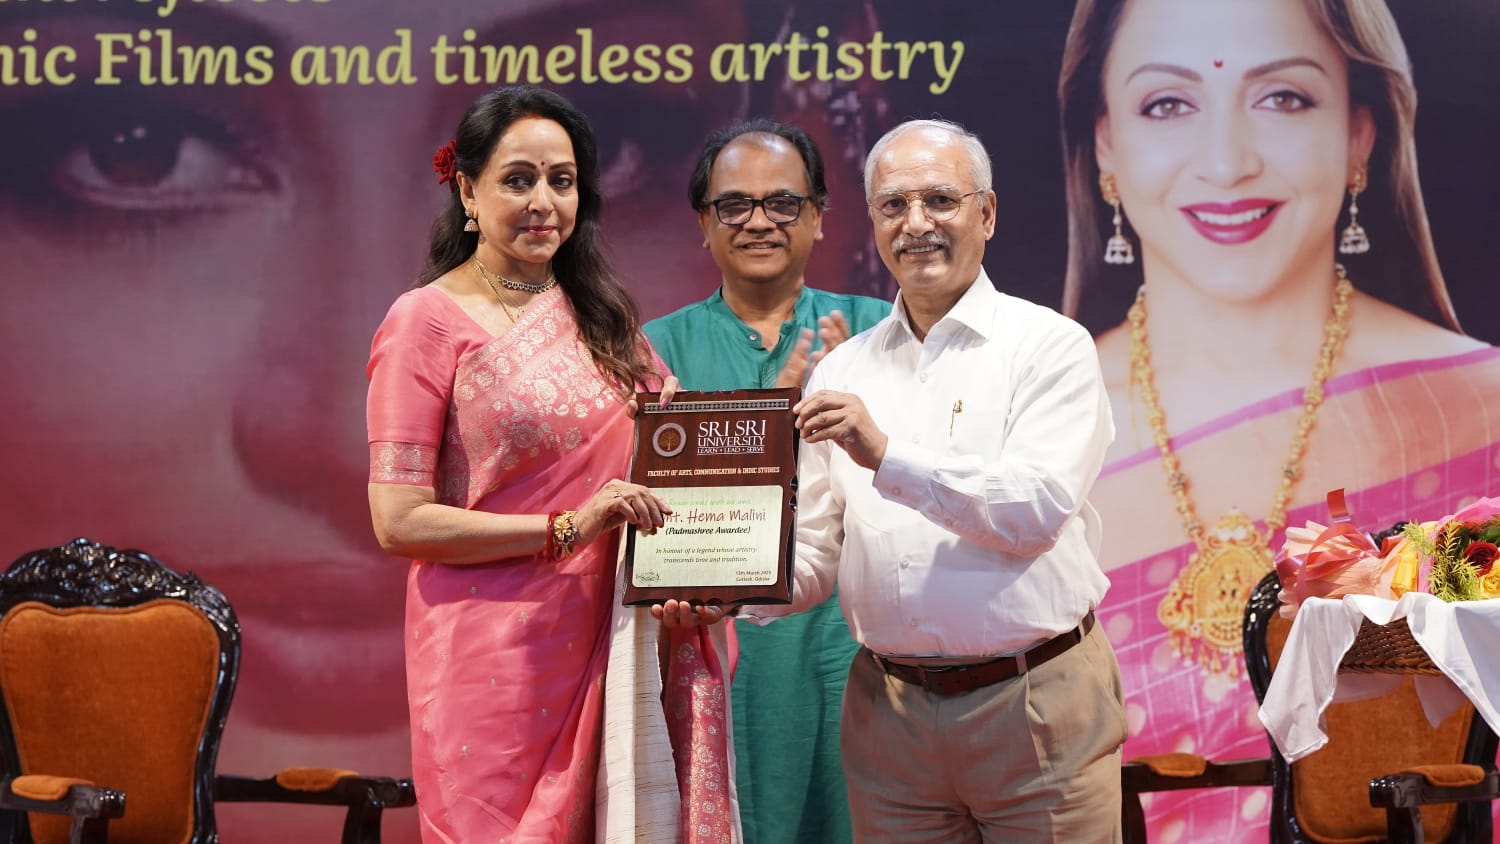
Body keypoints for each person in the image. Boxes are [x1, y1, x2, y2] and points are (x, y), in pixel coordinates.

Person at [1057, 0, 1500, 838]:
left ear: (1359, 134)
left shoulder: (1478, 410)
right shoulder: (1042, 421)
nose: (1227, 163)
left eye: (1283, 98)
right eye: (1168, 103)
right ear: (1105, 143)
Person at [366, 84, 736, 842]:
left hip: (617, 637)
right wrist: (569, 525)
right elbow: (398, 520)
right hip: (495, 659)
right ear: (467, 192)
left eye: (561, 181)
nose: (543, 203)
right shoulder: (424, 322)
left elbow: (673, 460)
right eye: (518, 180)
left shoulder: (602, 318)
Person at [743, 118, 1124, 842]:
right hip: (889, 715)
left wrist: (887, 454)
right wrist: (726, 584)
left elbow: (1035, 511)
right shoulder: (842, 369)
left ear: (987, 213)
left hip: (1035, 699)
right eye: (894, 205)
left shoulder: (1050, 346)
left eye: (940, 200)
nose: (916, 223)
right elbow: (816, 553)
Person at [644, 118, 890, 844]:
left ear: (818, 217)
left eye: (783, 203)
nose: (759, 221)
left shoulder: (880, 333)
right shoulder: (656, 350)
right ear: (704, 223)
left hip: (858, 646)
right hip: (714, 647)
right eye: (734, 205)